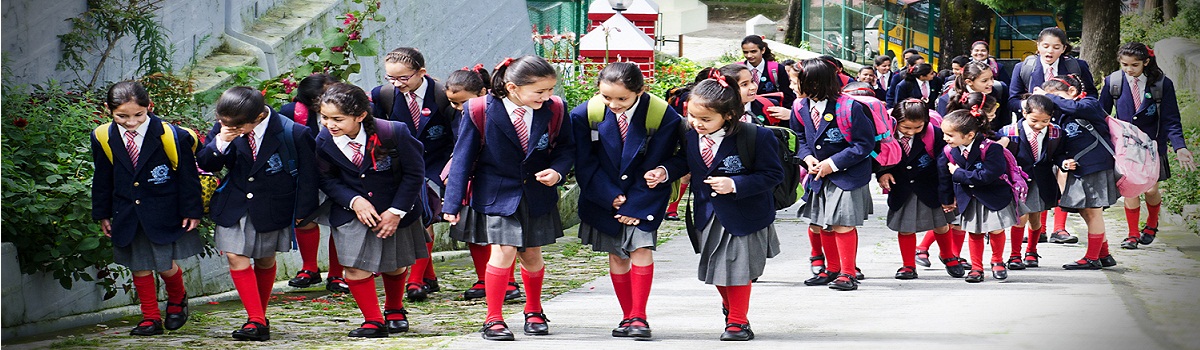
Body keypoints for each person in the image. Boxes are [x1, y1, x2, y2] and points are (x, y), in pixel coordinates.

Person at [442, 55, 575, 341]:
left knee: (531, 255)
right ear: (513, 87)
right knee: (503, 251)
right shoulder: (480, 109)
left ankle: (534, 309)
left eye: (551, 89)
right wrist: (451, 204)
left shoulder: (554, 110)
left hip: (536, 193)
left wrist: (557, 171)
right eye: (540, 91)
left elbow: (566, 149)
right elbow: (463, 157)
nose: (547, 96)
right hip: (496, 194)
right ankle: (494, 318)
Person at [645, 71, 783, 341]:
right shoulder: (687, 132)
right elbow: (684, 160)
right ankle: (731, 308)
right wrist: (664, 171)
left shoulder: (755, 136)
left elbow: (772, 175)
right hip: (707, 212)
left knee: (738, 267)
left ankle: (738, 322)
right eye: (692, 116)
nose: (696, 123)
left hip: (744, 212)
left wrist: (736, 185)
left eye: (705, 119)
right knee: (717, 268)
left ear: (729, 115)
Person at [198, 86, 318, 341]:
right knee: (235, 256)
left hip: (274, 204)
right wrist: (221, 141)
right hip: (235, 203)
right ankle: (255, 319)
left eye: (239, 126)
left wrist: (304, 212)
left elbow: (309, 176)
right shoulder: (226, 125)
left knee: (264, 259)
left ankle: (258, 316)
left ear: (259, 117)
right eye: (223, 123)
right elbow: (207, 163)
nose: (230, 127)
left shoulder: (293, 132)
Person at [571, 62, 682, 339]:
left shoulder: (661, 115)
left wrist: (638, 200)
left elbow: (666, 159)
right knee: (617, 255)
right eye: (607, 97)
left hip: (645, 195)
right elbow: (584, 164)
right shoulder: (586, 114)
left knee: (641, 249)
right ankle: (627, 315)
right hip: (603, 195)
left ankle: (640, 317)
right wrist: (610, 196)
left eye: (622, 98)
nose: (614, 104)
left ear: (640, 90)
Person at [315, 83, 429, 337]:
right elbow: (326, 179)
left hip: (395, 205)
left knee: (394, 264)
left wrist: (396, 211)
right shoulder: (324, 139)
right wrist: (354, 200)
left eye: (338, 119)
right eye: (324, 117)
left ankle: (394, 308)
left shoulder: (393, 132)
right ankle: (373, 320)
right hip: (352, 209)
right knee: (354, 267)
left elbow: (414, 173)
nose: (329, 124)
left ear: (360, 116)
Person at [91, 81, 203, 336]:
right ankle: (150, 317)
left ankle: (177, 299)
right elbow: (102, 177)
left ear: (149, 107)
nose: (131, 122)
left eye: (138, 115)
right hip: (126, 210)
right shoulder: (103, 137)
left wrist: (192, 211)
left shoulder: (171, 135)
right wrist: (102, 213)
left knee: (164, 263)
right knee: (138, 264)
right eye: (122, 116)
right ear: (108, 109)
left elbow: (188, 177)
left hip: (163, 209)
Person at [369, 47, 454, 301]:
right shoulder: (384, 96)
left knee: (425, 215)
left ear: (421, 73)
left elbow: (459, 132)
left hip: (437, 162)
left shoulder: (442, 95)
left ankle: (417, 279)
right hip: (403, 165)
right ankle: (421, 278)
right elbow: (377, 133)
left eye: (403, 78)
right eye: (390, 78)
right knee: (419, 215)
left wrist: (453, 168)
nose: (397, 84)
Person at [1100, 42, 1196, 249]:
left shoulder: (1162, 84)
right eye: (1124, 64)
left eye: (1134, 65)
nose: (1129, 69)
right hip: (1125, 147)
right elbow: (1102, 115)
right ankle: (1132, 234)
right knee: (1131, 188)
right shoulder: (1113, 82)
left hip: (1152, 145)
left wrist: (1180, 146)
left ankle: (1152, 224)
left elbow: (1171, 118)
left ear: (1146, 62)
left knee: (1151, 189)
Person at [791, 58, 876, 291]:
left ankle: (848, 273)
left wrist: (832, 163)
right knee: (823, 223)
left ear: (815, 84)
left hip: (848, 174)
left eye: (795, 82)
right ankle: (831, 269)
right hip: (819, 174)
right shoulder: (800, 106)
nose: (791, 86)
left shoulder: (851, 107)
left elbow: (864, 144)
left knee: (842, 224)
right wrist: (807, 158)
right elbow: (799, 137)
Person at [441, 65, 525, 301]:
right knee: (472, 231)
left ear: (482, 93)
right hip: (464, 179)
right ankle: (482, 278)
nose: (458, 108)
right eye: (453, 103)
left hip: (492, 180)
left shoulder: (491, 111)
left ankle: (508, 281)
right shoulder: (454, 114)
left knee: (501, 236)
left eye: (462, 102)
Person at [1037, 75, 1119, 270]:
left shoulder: (1089, 103)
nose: (1051, 102)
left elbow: (1076, 108)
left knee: (1093, 211)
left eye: (1055, 96)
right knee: (1085, 210)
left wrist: (1048, 97)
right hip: (1079, 168)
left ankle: (1092, 258)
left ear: (1072, 92)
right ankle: (1104, 254)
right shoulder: (1061, 113)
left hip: (1095, 165)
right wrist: (1063, 162)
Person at [277, 73, 348, 293]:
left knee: (340, 221)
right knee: (303, 218)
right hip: (305, 173)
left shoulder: (350, 109)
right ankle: (309, 268)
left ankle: (337, 274)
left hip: (341, 173)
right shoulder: (292, 114)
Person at [878, 98, 963, 279]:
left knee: (941, 225)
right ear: (895, 121)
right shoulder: (885, 135)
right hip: (901, 187)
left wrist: (948, 195)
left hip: (931, 186)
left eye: (917, 127)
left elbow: (945, 164)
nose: (911, 132)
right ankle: (908, 265)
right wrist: (881, 173)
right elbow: (878, 156)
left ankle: (948, 255)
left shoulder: (935, 135)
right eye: (906, 127)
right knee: (906, 228)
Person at [939, 106, 1018, 283]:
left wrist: (959, 174)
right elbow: (944, 177)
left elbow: (988, 175)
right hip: (969, 197)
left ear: (970, 135)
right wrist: (947, 200)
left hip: (993, 195)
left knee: (997, 229)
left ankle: (997, 261)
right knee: (974, 232)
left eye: (950, 135)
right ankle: (976, 268)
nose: (945, 139)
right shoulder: (949, 151)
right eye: (944, 134)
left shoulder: (991, 149)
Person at [997, 95, 1064, 268]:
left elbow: (1059, 154)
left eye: (1045, 121)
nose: (1039, 125)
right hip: (1018, 180)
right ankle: (1015, 255)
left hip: (1041, 179)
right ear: (1024, 113)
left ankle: (1032, 250)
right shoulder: (1009, 132)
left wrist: (1064, 162)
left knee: (1036, 218)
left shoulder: (1055, 132)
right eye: (1034, 120)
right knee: (1020, 217)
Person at [741, 35, 795, 108]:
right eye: (745, 52)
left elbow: (788, 96)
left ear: (763, 50)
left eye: (753, 51)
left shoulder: (776, 69)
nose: (749, 55)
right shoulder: (739, 70)